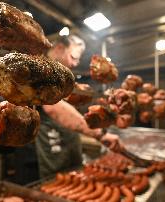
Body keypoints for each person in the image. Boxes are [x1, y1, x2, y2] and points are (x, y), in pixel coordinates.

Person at [35, 35, 122, 178]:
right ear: (59, 48)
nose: (75, 64)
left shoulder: (61, 78)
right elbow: (53, 107)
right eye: (73, 57)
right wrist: (99, 134)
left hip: (68, 144)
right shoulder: (42, 69)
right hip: (49, 147)